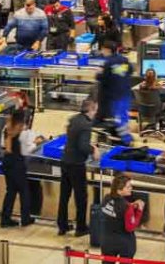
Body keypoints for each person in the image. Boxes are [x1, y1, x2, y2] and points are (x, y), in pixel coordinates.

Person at [57, 98, 101, 236]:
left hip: (65, 161)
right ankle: (81, 227)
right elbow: (82, 146)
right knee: (81, 197)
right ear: (91, 110)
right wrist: (93, 150)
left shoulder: (74, 119)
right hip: (76, 164)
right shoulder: (86, 125)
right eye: (95, 110)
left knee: (64, 195)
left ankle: (62, 225)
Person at [0, 109, 35, 228]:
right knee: (24, 191)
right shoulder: (22, 131)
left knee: (11, 191)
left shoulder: (7, 128)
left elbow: (3, 145)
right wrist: (37, 142)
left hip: (7, 162)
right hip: (17, 163)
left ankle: (5, 219)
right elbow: (27, 150)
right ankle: (26, 218)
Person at [96, 41, 134, 145]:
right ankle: (124, 137)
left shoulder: (107, 63)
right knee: (123, 116)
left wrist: (98, 72)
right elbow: (131, 70)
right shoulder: (124, 60)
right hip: (126, 93)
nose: (102, 51)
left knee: (119, 118)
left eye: (103, 49)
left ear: (107, 50)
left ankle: (126, 141)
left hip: (114, 95)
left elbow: (101, 78)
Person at [101, 174, 145, 260]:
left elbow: (115, 210)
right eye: (128, 187)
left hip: (107, 241)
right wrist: (139, 210)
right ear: (119, 189)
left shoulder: (106, 198)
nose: (131, 188)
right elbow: (131, 227)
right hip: (124, 243)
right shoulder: (126, 207)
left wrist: (131, 206)